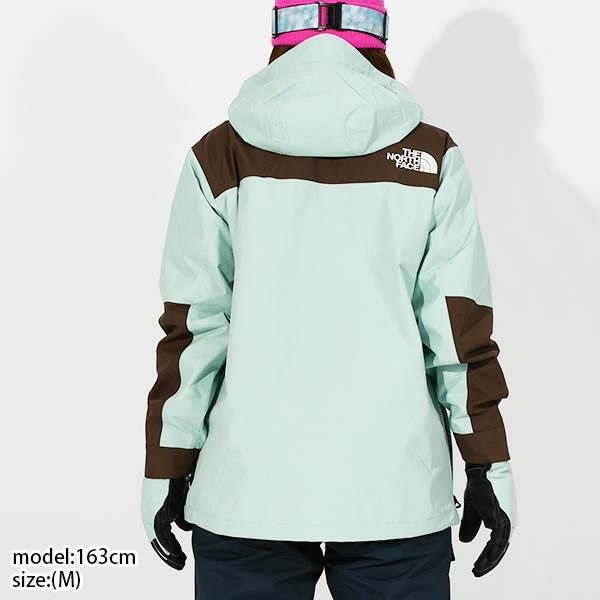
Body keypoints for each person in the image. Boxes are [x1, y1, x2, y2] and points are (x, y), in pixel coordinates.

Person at [141, 1, 517, 598]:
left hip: (247, 493)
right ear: (377, 34)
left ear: (281, 33)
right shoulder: (432, 158)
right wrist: (487, 461)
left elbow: (194, 329)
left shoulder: (218, 156)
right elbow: (458, 330)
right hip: (395, 496)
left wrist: (167, 463)